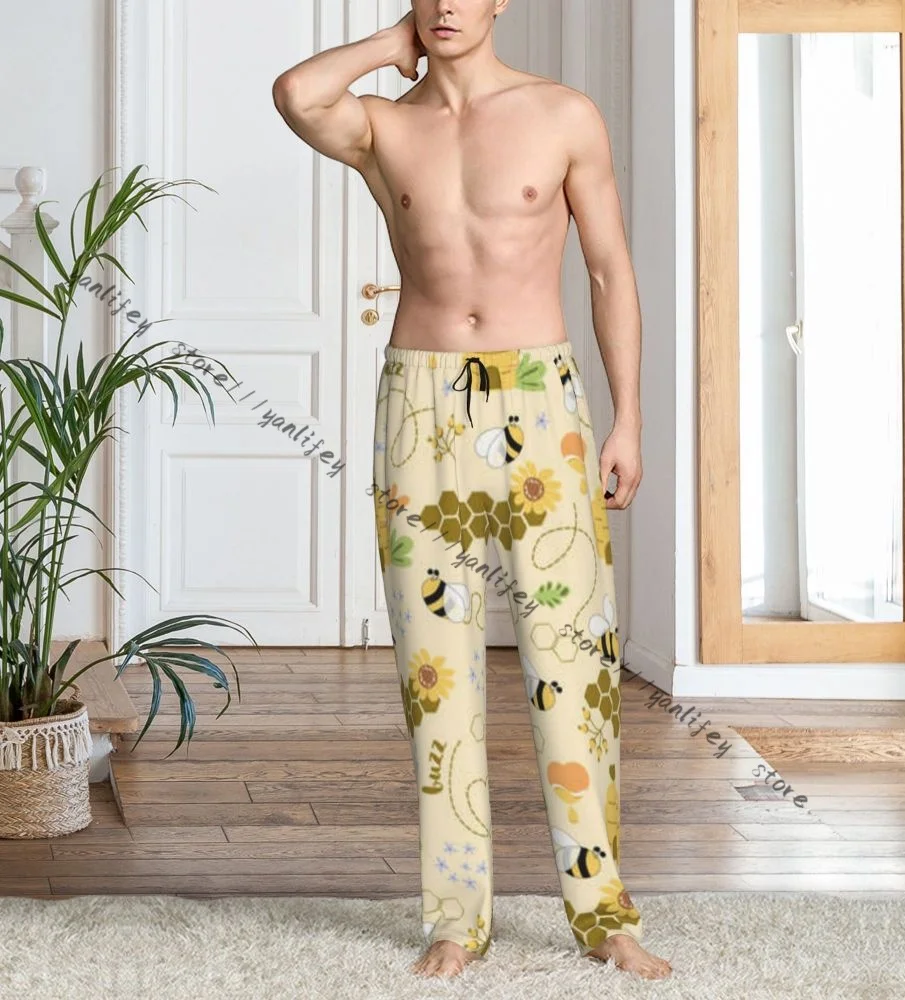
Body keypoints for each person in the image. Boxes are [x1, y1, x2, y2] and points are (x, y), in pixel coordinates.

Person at [272, 0, 670, 981]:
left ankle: (603, 914)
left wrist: (627, 417)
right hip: (421, 406)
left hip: (542, 401)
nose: (449, 3)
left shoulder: (563, 114)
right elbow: (295, 93)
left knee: (571, 657)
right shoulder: (383, 125)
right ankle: (456, 919)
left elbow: (609, 270)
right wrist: (388, 47)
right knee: (436, 668)